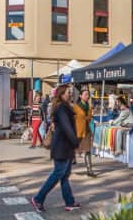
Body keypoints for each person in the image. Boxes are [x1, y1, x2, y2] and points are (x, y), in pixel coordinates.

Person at [30, 84, 81, 212]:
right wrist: (75, 142)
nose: (70, 94)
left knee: (64, 175)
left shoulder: (65, 107)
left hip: (66, 147)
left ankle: (69, 202)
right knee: (58, 174)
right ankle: (38, 199)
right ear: (62, 94)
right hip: (62, 147)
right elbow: (67, 127)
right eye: (68, 92)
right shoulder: (62, 108)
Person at [73, 88, 96, 177]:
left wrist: (87, 118)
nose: (87, 96)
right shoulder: (76, 107)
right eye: (85, 94)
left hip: (86, 130)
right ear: (80, 96)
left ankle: (89, 170)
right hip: (78, 131)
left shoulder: (89, 107)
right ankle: (67, 166)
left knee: (87, 150)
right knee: (74, 149)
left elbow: (89, 118)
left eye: (88, 94)